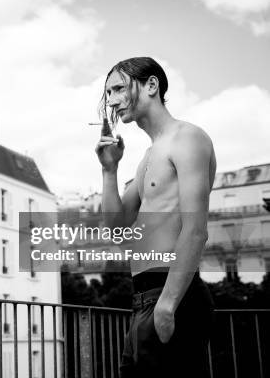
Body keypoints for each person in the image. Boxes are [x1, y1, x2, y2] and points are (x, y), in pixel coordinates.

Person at [95, 57, 216, 378]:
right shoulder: (149, 155)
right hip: (142, 299)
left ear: (151, 85)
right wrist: (109, 170)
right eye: (108, 93)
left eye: (118, 88)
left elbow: (195, 230)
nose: (111, 100)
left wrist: (167, 304)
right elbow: (118, 230)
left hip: (173, 293)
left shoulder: (188, 138)